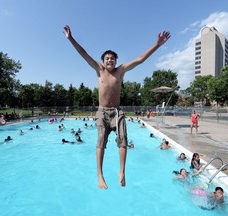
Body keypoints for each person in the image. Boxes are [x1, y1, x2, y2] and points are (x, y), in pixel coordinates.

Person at [64, 25, 170, 189]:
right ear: (103, 60)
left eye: (112, 58)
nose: (109, 60)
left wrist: (157, 45)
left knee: (123, 141)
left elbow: (139, 60)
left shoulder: (121, 71)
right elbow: (83, 53)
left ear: (116, 61)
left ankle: (122, 171)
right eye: (107, 58)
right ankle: (100, 175)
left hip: (118, 112)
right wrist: (71, 38)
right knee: (100, 141)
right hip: (102, 112)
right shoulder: (99, 70)